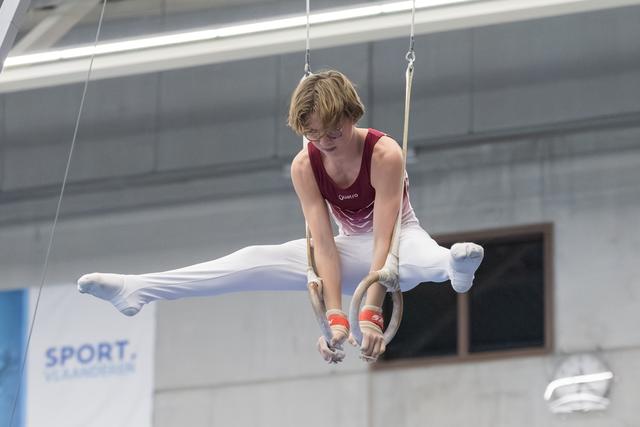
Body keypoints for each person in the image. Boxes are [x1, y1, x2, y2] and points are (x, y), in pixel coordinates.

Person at [77, 70, 484, 363]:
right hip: (344, 246)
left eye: (333, 133)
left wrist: (370, 314)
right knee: (252, 258)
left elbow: (384, 241)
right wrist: (334, 317)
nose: (325, 143)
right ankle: (137, 289)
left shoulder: (383, 154)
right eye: (313, 136)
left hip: (396, 240)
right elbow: (322, 244)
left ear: (351, 116)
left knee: (422, 258)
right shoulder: (304, 166)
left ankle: (455, 268)